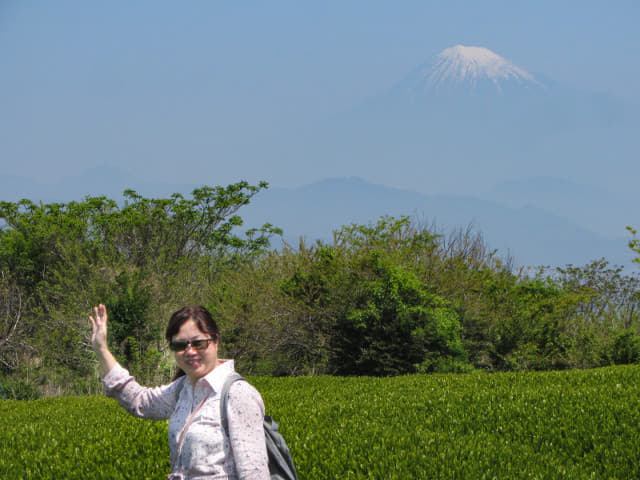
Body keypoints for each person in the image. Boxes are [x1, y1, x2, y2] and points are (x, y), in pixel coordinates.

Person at [89, 303, 269, 480]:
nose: (190, 351)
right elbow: (140, 402)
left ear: (215, 341)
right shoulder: (182, 388)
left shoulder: (237, 394)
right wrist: (102, 349)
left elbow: (254, 473)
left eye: (199, 343)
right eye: (180, 346)